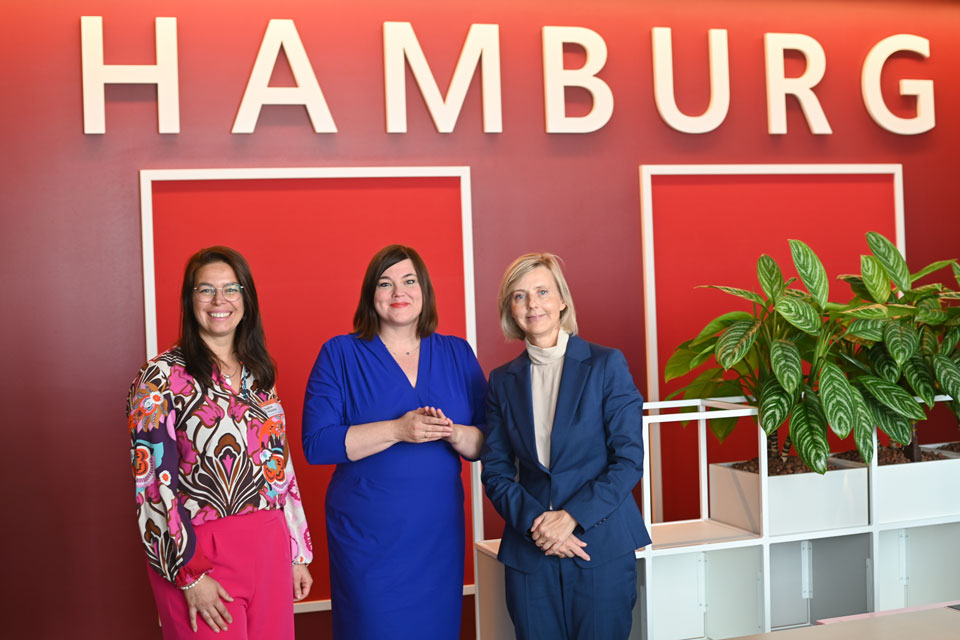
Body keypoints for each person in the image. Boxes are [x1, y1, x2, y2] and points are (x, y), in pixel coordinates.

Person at [302, 244, 487, 639]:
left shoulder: (457, 353)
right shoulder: (340, 353)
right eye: (385, 283)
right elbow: (316, 444)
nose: (398, 292)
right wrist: (397, 430)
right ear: (372, 295)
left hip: (437, 535)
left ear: (424, 291)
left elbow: (488, 443)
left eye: (408, 281)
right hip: (367, 539)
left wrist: (451, 432)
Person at [127, 246, 313, 639]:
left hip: (268, 546)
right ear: (189, 299)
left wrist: (297, 553)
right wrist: (189, 575)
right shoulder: (158, 378)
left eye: (231, 288)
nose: (219, 301)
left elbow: (281, 468)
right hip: (198, 552)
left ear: (246, 298)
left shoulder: (259, 377)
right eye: (205, 290)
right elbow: (152, 486)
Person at [481, 252, 651, 640]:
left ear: (562, 301)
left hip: (600, 546)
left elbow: (628, 460)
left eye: (542, 292)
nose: (532, 304)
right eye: (520, 296)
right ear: (510, 308)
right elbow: (495, 471)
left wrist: (570, 517)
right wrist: (540, 526)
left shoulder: (607, 365)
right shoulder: (501, 381)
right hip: (530, 551)